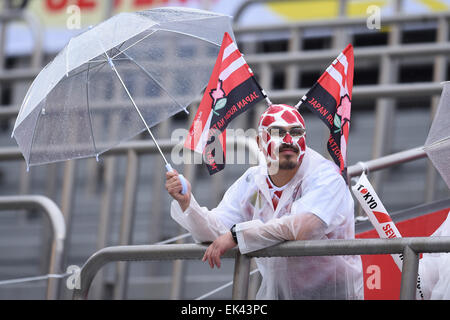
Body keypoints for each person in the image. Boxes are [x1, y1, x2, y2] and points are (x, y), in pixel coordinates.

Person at [166, 104, 364, 299]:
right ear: (260, 141)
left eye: (296, 132)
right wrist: (187, 203)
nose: (289, 140)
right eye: (277, 133)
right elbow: (216, 233)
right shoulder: (252, 180)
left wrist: (238, 235)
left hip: (334, 294)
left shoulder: (326, 176)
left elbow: (304, 227)